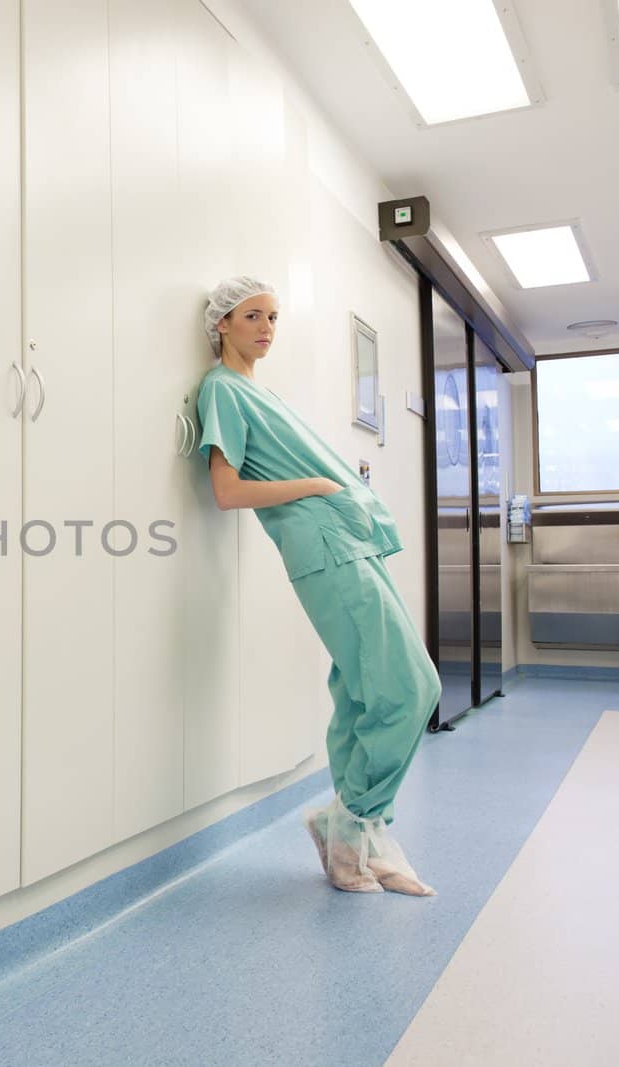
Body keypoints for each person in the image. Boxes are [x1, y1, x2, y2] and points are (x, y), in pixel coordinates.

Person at [196, 275, 439, 897]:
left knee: (362, 692)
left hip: (348, 541)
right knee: (412, 687)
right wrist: (318, 487)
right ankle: (351, 821)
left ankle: (359, 837)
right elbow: (228, 491)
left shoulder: (262, 391)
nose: (267, 328)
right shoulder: (222, 390)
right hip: (325, 547)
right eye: (253, 316)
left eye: (274, 318)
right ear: (221, 323)